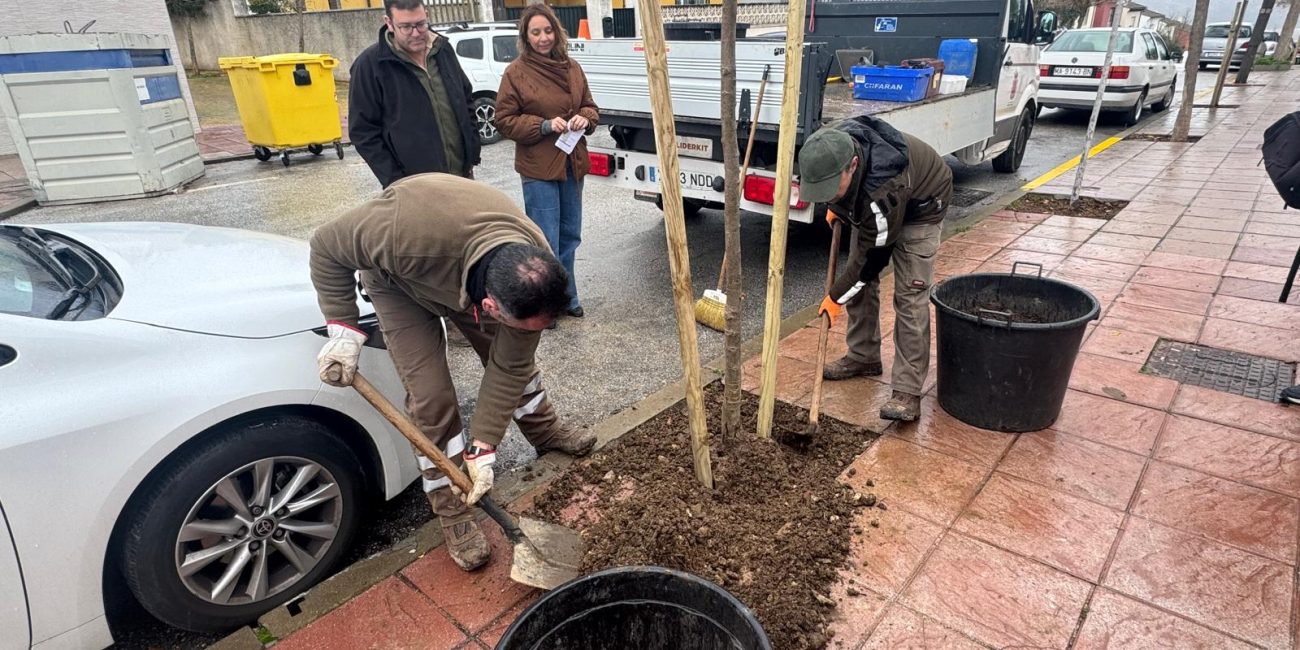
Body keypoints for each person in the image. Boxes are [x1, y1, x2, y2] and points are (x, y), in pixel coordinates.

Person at [309, 173, 597, 571]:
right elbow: (325, 245)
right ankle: (452, 510)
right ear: (491, 307)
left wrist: (483, 448)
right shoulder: (397, 233)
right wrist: (343, 328)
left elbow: (509, 366)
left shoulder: (536, 269)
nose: (535, 332)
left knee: (516, 363)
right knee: (431, 399)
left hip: (463, 270)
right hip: (400, 282)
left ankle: (544, 430)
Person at [798, 116, 953, 422]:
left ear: (852, 165)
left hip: (922, 205)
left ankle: (907, 391)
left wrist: (835, 297)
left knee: (909, 296)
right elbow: (861, 264)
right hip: (877, 202)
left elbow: (871, 262)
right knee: (858, 282)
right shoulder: (829, 143)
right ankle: (863, 356)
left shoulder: (881, 191)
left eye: (832, 188)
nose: (827, 194)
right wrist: (836, 204)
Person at [494, 4, 600, 319]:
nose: (543, 38)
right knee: (544, 239)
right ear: (526, 37)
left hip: (572, 163)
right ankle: (545, 303)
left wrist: (585, 118)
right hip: (539, 168)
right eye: (536, 32)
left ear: (557, 31)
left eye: (548, 30)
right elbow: (504, 120)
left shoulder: (572, 67)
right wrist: (543, 125)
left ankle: (567, 295)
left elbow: (590, 106)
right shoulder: (516, 72)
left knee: (570, 236)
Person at [348, 0, 481, 188]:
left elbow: (465, 98)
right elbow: (362, 132)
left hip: (462, 177)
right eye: (406, 27)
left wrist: (472, 150)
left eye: (420, 24)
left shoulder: (442, 49)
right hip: (414, 187)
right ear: (389, 23)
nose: (416, 33)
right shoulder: (370, 66)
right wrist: (396, 180)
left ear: (427, 14)